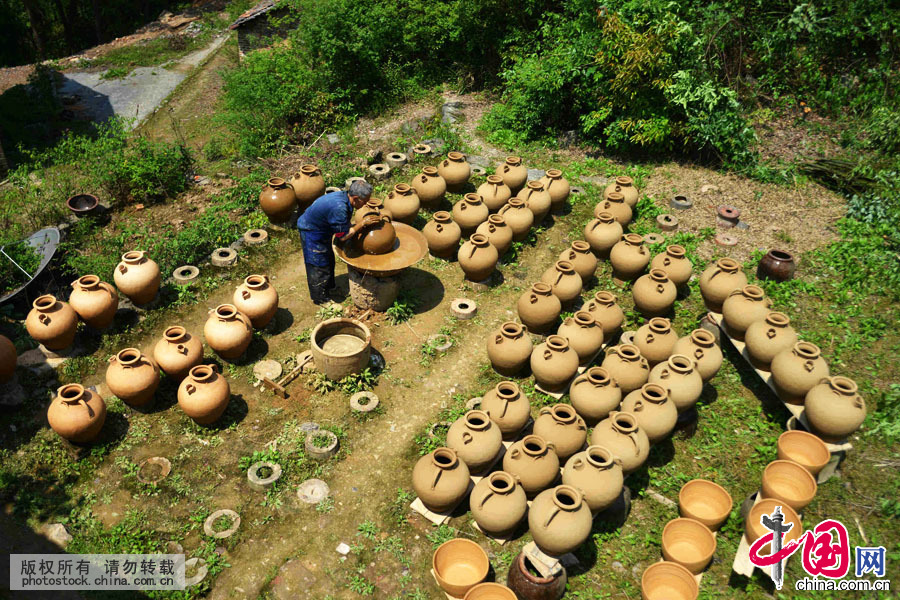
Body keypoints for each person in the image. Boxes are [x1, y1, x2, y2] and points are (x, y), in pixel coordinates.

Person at [296, 180, 379, 304]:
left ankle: (330, 288)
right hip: (311, 230)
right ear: (356, 198)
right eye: (365, 201)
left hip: (322, 227)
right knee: (318, 264)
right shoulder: (339, 208)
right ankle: (321, 299)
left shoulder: (345, 198)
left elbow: (342, 226)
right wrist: (361, 224)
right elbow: (343, 237)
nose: (366, 204)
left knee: (329, 259)